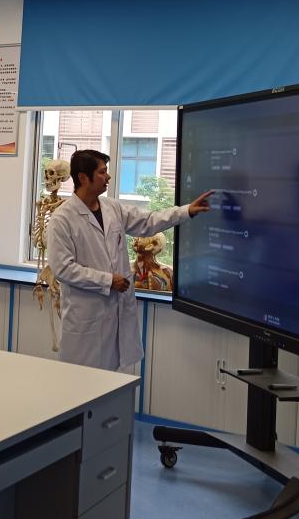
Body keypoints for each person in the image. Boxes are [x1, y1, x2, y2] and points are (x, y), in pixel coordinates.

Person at [47, 149, 212, 371]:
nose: (108, 177)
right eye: (102, 172)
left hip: (116, 314)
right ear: (83, 178)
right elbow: (63, 268)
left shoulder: (112, 208)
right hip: (86, 320)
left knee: (112, 380)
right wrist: (107, 281)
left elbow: (148, 222)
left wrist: (186, 211)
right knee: (82, 382)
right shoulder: (62, 219)